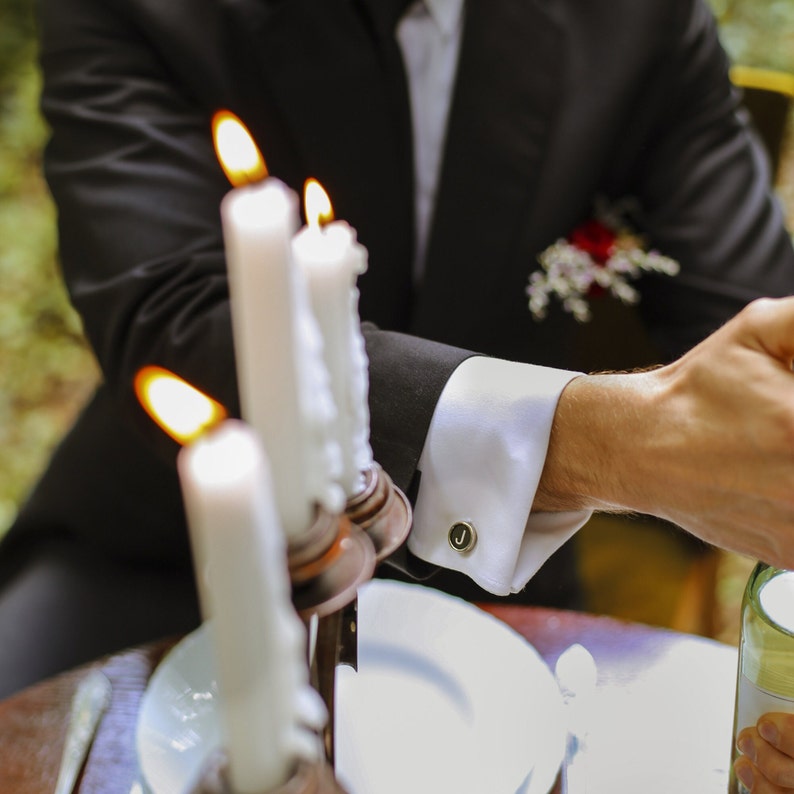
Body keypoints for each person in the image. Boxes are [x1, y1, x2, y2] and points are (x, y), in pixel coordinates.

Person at [4, 0, 794, 786]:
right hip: (176, 540)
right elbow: (175, 313)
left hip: (503, 573)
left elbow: (761, 345)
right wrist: (593, 441)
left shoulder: (635, 18)